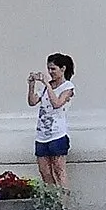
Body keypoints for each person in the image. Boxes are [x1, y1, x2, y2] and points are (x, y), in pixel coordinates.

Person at [29, 53, 75, 191]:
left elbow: (57, 103)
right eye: (49, 69)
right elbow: (32, 102)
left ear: (63, 69)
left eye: (53, 69)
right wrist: (32, 85)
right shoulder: (45, 87)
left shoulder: (67, 87)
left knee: (59, 169)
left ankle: (64, 203)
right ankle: (52, 199)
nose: (50, 72)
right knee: (45, 171)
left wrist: (46, 85)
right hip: (42, 135)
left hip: (57, 134)